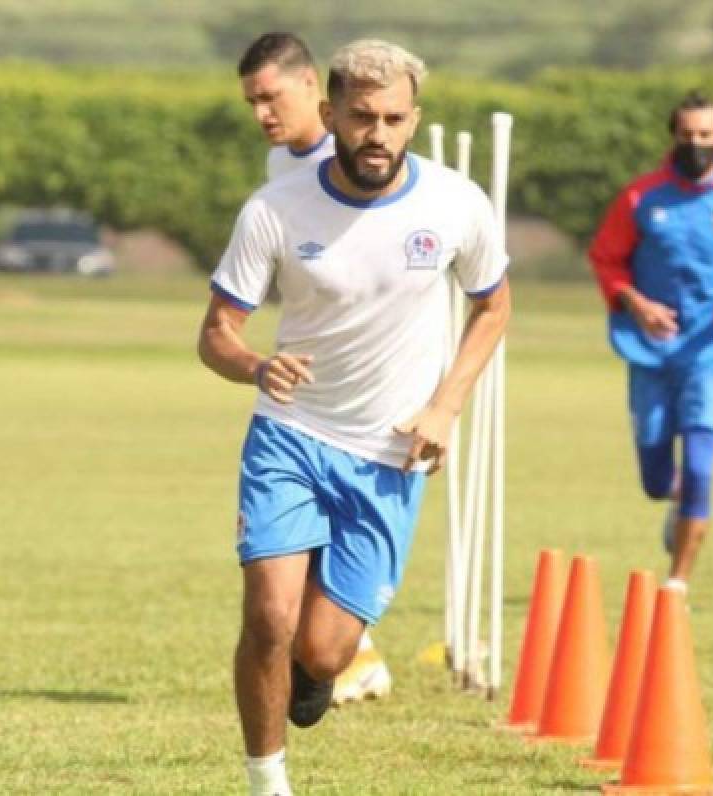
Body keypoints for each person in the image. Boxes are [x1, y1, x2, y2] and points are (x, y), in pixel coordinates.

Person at [202, 39, 511, 796]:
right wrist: (255, 365)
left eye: (394, 118)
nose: (378, 133)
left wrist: (446, 407)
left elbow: (494, 307)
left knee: (327, 652)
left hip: (391, 452)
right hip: (291, 435)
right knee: (269, 617)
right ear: (333, 111)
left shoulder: (456, 203)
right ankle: (266, 781)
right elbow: (216, 333)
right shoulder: (275, 209)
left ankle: (312, 673)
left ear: (415, 119)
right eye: (363, 116)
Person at [238, 32, 389, 704]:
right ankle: (343, 659)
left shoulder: (361, 155)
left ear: (310, 89)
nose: (262, 113)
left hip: (371, 390)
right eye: (251, 102)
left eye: (271, 96)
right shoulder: (280, 170)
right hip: (302, 381)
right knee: (288, 543)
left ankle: (347, 657)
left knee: (338, 537)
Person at [587, 90, 713, 593]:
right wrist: (637, 303)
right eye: (687, 136)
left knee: (700, 466)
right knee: (656, 477)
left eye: (705, 135)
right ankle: (673, 503)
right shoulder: (641, 198)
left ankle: (678, 584)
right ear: (673, 137)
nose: (696, 144)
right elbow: (607, 259)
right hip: (650, 352)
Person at [238, 33, 334, 182]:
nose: (259, 114)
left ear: (309, 81)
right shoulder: (278, 158)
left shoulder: (352, 153)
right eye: (253, 102)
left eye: (269, 97)